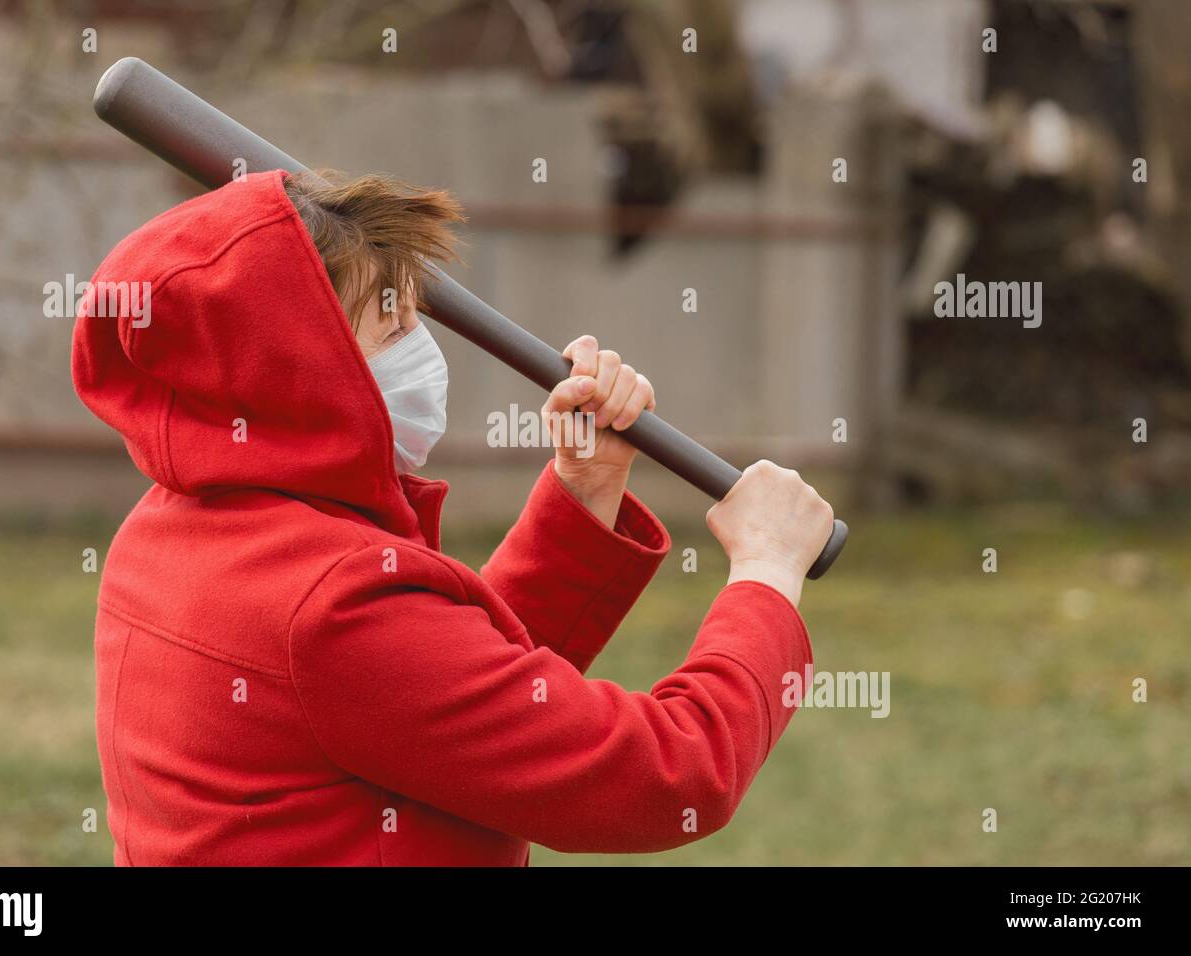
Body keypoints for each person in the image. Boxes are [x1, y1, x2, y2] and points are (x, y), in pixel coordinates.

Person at [71, 167, 834, 866]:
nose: (421, 349)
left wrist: (585, 488)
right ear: (293, 371)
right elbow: (668, 778)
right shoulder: (331, 602)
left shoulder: (167, 531)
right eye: (391, 327)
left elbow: (444, 701)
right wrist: (765, 576)